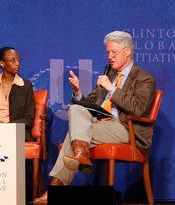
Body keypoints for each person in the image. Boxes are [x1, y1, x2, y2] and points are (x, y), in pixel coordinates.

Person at [34, 31, 156, 204]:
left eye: (114, 52)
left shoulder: (144, 78)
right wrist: (77, 92)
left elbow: (138, 110)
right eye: (108, 53)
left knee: (73, 136)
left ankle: (54, 190)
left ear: (128, 51)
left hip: (125, 128)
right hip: (100, 122)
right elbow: (88, 104)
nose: (110, 57)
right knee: (76, 108)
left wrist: (112, 89)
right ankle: (80, 153)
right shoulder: (110, 75)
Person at [0, 47, 35, 141]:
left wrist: (6, 126)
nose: (17, 64)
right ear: (2, 63)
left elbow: (29, 119)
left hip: (17, 132)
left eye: (18, 60)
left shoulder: (26, 86)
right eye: (12, 61)